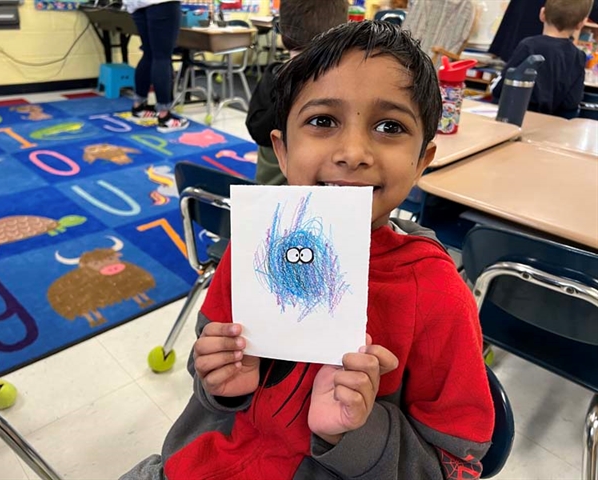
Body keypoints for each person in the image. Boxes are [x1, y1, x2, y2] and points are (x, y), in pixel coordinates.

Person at [121, 21, 494, 480]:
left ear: (422, 161)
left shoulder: (437, 294)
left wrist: (355, 433)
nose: (353, 151)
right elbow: (209, 374)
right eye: (322, 121)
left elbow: (456, 465)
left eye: (389, 125)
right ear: (281, 149)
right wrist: (221, 384)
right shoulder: (252, 249)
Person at [245, 0, 348, 186]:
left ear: (283, 27)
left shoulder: (274, 75)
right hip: (321, 194)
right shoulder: (344, 84)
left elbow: (256, 128)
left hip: (269, 191)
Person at [491, 0, 593, 118]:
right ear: (581, 23)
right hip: (550, 123)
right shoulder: (579, 56)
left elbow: (503, 86)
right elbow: (571, 102)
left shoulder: (528, 46)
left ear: (542, 14)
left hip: (517, 117)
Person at [123, 0, 189, 133]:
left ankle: (138, 107)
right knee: (162, 57)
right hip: (163, 3)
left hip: (137, 5)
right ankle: (165, 118)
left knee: (149, 54)